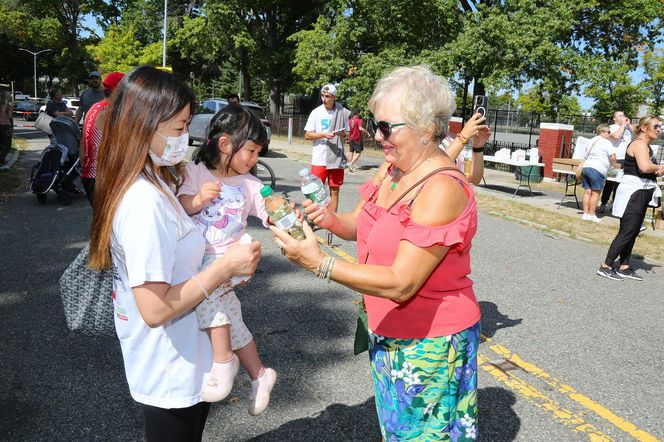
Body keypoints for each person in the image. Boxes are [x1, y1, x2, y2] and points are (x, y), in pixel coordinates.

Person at [272, 66, 481, 441]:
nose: (375, 135)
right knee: (397, 432)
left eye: (387, 127)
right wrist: (328, 220)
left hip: (428, 343)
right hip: (386, 330)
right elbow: (358, 224)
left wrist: (319, 262)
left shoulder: (441, 188)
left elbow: (402, 283)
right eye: (374, 123)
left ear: (428, 129)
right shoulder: (392, 169)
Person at [88, 66, 261, 441]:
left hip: (186, 355)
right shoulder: (143, 203)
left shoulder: (158, 179)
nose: (186, 137)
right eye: (179, 128)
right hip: (169, 366)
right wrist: (224, 268)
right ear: (143, 125)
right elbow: (154, 309)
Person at [177, 105, 277, 414]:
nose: (254, 158)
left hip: (226, 262)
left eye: (258, 152)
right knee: (233, 321)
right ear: (224, 145)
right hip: (200, 260)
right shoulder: (193, 174)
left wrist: (287, 215)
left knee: (208, 297)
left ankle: (224, 362)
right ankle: (260, 374)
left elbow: (272, 211)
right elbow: (179, 206)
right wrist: (198, 200)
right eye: (250, 150)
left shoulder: (251, 186)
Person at [598, 116, 664, 281]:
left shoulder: (645, 145)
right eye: (655, 126)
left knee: (633, 231)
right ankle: (605, 265)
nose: (659, 129)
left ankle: (624, 266)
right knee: (627, 231)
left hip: (641, 191)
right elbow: (644, 167)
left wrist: (655, 170)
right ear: (644, 128)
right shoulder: (640, 144)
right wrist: (659, 167)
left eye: (660, 126)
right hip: (634, 192)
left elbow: (644, 169)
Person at [304, 83, 351, 213]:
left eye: (328, 96)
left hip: (336, 157)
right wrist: (323, 134)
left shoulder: (342, 112)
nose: (324, 99)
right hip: (320, 158)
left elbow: (347, 133)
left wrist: (343, 134)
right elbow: (307, 134)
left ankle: (332, 218)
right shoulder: (316, 112)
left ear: (334, 97)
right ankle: (316, 218)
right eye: (323, 95)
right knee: (316, 191)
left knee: (334, 190)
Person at [80, 71, 125, 206]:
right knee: (109, 224)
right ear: (118, 91)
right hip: (103, 178)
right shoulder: (110, 113)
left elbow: (82, 143)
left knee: (100, 223)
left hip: (89, 176)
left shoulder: (94, 108)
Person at [580, 124, 617, 222]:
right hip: (598, 168)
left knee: (587, 192)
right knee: (596, 193)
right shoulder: (606, 142)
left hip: (587, 167)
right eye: (608, 132)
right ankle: (591, 215)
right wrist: (613, 164)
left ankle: (585, 214)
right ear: (602, 132)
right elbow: (613, 157)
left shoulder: (591, 140)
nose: (610, 133)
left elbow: (585, 154)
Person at [440, 112, 490, 185]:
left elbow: (474, 179)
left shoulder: (454, 139)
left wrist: (478, 148)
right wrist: (463, 136)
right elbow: (437, 167)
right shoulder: (424, 139)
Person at [598, 111, 634, 213]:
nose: (623, 117)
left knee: (620, 184)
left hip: (625, 159)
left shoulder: (627, 127)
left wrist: (629, 125)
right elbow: (616, 136)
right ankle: (604, 203)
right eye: (620, 116)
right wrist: (623, 125)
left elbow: (636, 134)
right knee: (610, 182)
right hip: (615, 159)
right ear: (614, 118)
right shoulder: (612, 127)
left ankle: (615, 204)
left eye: (623, 115)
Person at [0, 91, 12, 169]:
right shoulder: (8, 106)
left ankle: (1, 162)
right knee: (6, 146)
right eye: (9, 95)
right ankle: (2, 162)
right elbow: (10, 117)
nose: (11, 96)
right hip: (5, 127)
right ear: (7, 97)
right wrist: (11, 127)